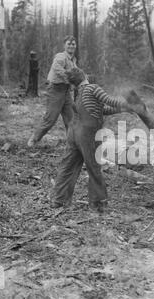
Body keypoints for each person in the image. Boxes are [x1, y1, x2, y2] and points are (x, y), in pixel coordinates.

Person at [51, 68, 137, 213]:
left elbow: (100, 109)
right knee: (94, 167)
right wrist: (130, 104)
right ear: (84, 76)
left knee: (68, 166)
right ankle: (98, 203)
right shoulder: (93, 88)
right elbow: (110, 101)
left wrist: (122, 110)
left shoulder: (79, 93)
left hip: (73, 133)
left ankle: (59, 199)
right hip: (87, 134)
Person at [27, 36, 78, 147]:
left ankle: (72, 144)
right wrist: (69, 78)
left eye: (73, 44)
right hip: (56, 90)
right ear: (64, 45)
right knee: (50, 119)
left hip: (66, 92)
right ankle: (33, 140)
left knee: (71, 119)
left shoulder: (73, 60)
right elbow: (56, 68)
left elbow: (76, 74)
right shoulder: (61, 56)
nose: (71, 46)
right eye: (69, 43)